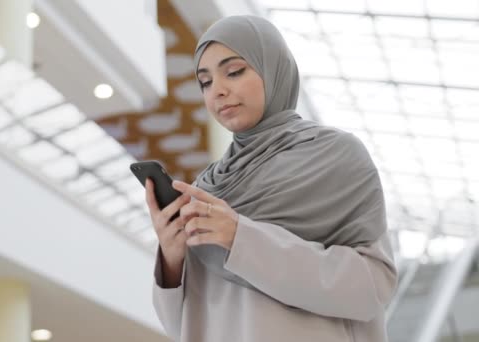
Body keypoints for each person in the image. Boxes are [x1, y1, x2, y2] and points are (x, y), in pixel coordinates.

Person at [145, 15, 397, 342]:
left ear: (273, 68)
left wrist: (241, 237)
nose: (218, 91)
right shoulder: (207, 187)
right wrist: (172, 259)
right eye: (205, 82)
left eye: (234, 72)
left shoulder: (335, 156)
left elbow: (371, 288)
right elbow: (186, 325)